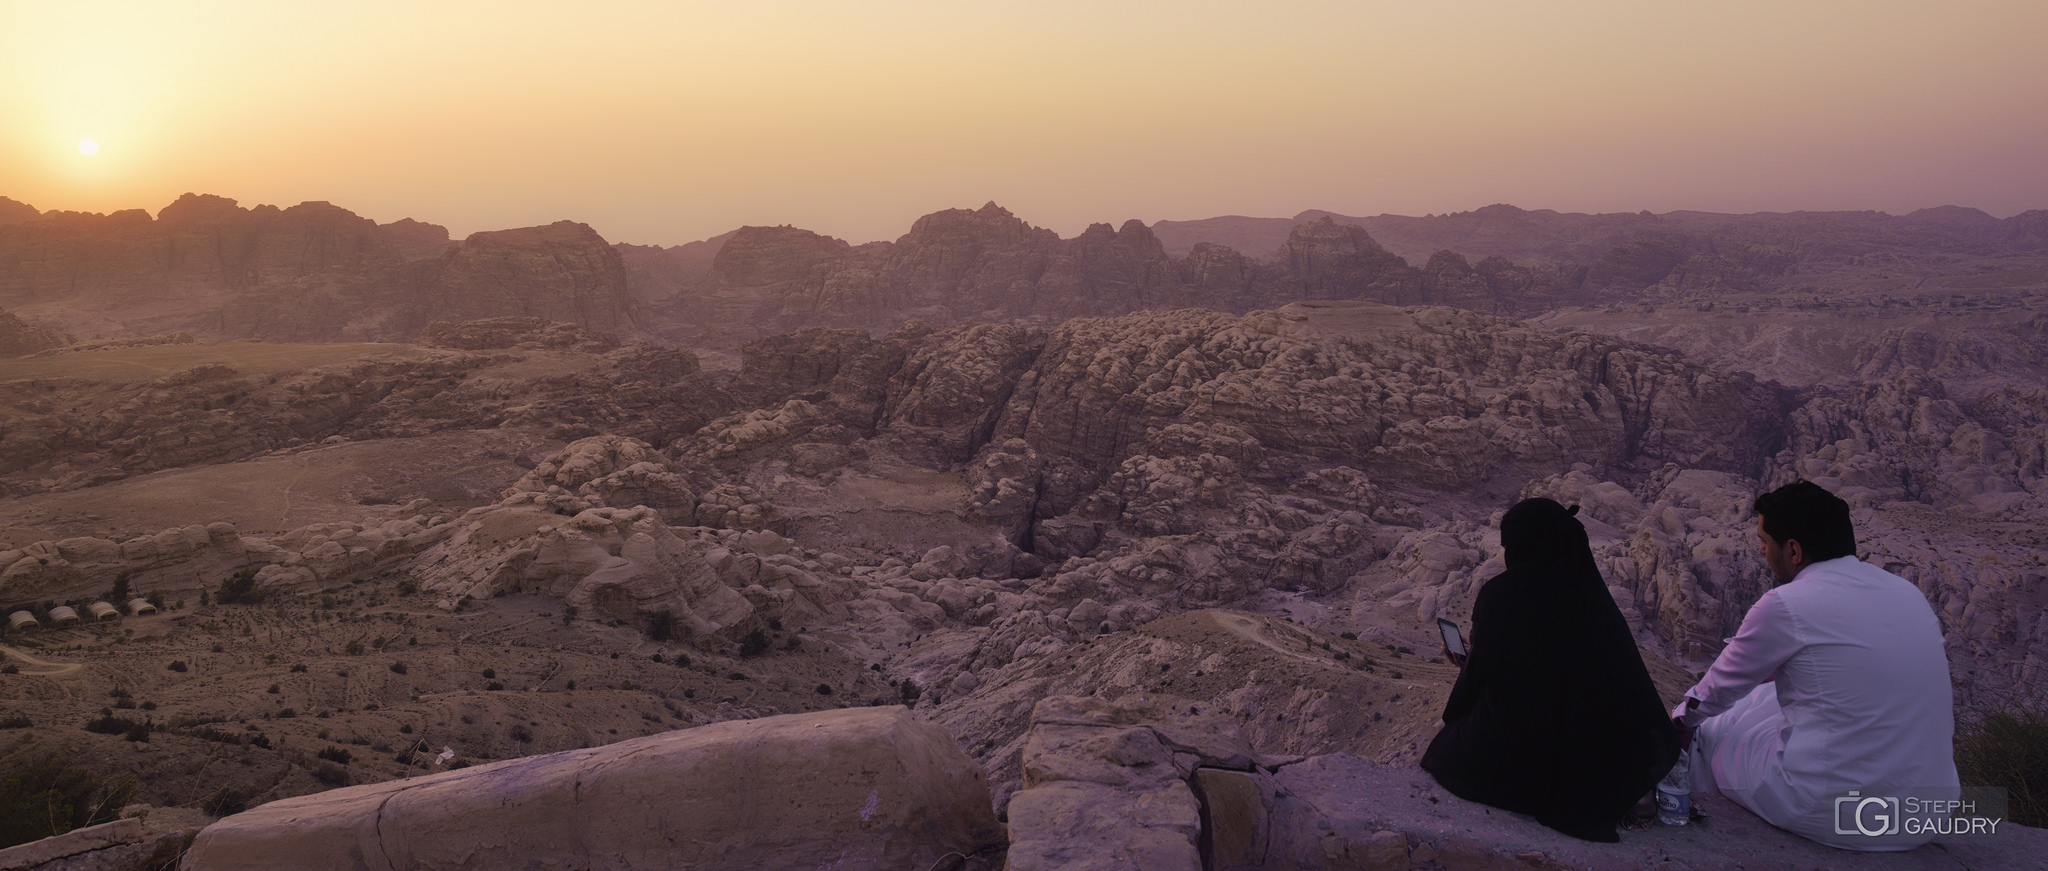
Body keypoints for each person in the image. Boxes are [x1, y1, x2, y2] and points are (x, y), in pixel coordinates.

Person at [1671, 480, 1959, 850]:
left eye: (1764, 539)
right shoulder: (1907, 591)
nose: (1760, 549)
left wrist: (1679, 721)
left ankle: (1700, 832)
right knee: (1770, 696)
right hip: (1928, 814)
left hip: (1832, 812)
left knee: (1710, 728)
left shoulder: (1786, 604)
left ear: (1793, 549)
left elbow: (1715, 692)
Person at [1422, 498, 1681, 842]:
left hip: (1512, 756)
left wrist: (1467, 660)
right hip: (1582, 758)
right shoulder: (1593, 602)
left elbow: (1485, 680)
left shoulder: (1501, 595)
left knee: (1441, 751)